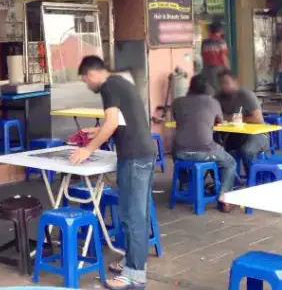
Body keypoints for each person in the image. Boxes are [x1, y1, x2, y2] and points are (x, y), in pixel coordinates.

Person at [73, 55, 156, 290]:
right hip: (143, 154)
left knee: (133, 217)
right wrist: (96, 130)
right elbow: (121, 120)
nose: (87, 85)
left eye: (85, 80)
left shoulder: (109, 86)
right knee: (136, 215)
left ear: (91, 74)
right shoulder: (122, 82)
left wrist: (88, 149)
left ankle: (135, 275)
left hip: (134, 156)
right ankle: (131, 261)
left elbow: (111, 124)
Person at [171, 74, 236, 212]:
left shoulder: (177, 102)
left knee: (175, 148)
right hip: (205, 150)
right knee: (230, 163)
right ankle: (224, 196)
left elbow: (178, 118)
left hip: (180, 153)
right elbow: (219, 121)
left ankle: (185, 185)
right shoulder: (212, 102)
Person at [216, 70, 268, 174]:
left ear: (235, 82)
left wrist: (235, 118)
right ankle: (228, 182)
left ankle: (253, 180)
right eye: (221, 83)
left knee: (247, 151)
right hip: (232, 135)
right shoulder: (218, 97)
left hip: (257, 135)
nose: (223, 86)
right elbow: (215, 116)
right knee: (216, 151)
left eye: (226, 83)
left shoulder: (246, 95)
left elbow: (258, 119)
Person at [200, 22, 229, 91]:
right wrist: (227, 69)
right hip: (218, 68)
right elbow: (223, 56)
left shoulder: (205, 42)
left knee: (208, 89)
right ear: (220, 30)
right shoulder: (221, 42)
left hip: (206, 68)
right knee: (219, 88)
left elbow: (202, 55)